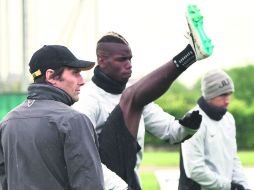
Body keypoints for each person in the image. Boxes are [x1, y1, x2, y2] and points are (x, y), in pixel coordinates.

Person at [73, 4, 213, 190]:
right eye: (122, 60)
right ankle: (191, 53)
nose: (129, 65)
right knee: (132, 96)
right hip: (102, 184)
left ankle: (193, 52)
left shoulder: (138, 98)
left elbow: (170, 131)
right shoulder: (88, 99)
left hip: (130, 181)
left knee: (133, 96)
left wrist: (186, 127)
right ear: (102, 60)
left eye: (130, 59)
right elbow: (82, 155)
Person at [0, 45, 105, 189]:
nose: (82, 81)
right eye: (75, 73)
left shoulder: (7, 121)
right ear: (50, 76)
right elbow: (90, 185)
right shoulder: (73, 120)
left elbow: (4, 182)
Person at [178, 69, 251, 190]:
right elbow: (195, 170)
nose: (227, 100)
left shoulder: (229, 118)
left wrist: (244, 186)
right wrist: (229, 187)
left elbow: (233, 158)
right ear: (209, 95)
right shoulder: (192, 120)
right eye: (223, 95)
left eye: (229, 94)